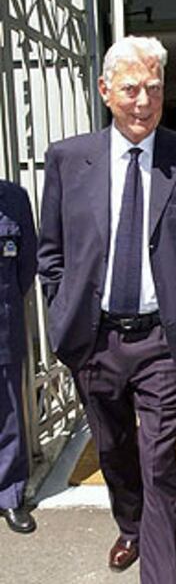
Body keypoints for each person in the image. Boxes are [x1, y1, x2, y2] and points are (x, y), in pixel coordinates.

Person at [37, 36, 176, 583]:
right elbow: (52, 253)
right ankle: (130, 523)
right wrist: (63, 311)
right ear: (105, 91)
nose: (143, 100)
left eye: (153, 88)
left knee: (159, 463)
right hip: (94, 339)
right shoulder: (68, 159)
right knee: (115, 450)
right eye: (130, 89)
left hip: (164, 342)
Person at [0, 179, 37, 533]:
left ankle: (9, 495)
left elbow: (27, 263)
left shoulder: (13, 198)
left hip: (2, 324)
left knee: (9, 412)